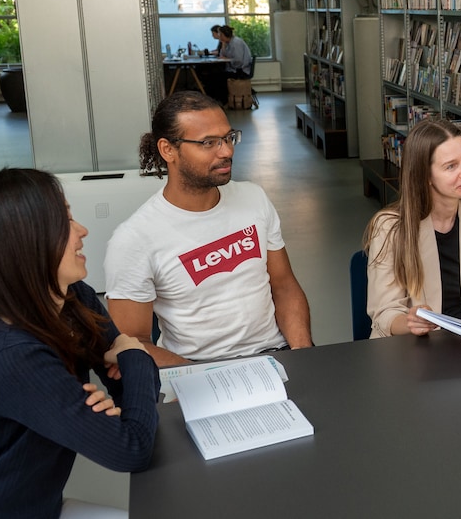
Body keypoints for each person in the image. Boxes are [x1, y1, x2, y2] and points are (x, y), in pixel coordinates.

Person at [0, 169, 159, 518]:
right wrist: (133, 351)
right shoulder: (11, 356)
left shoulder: (72, 298)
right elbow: (132, 449)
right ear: (25, 243)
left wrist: (124, 383)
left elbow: (125, 388)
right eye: (65, 221)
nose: (82, 231)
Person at [105, 91, 312, 366]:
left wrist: (303, 354)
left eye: (228, 138)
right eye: (208, 143)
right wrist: (201, 378)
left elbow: (284, 285)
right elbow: (131, 343)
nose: (227, 151)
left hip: (274, 355)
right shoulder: (133, 239)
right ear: (168, 150)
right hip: (196, 366)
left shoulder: (254, 198)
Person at [364, 119, 461, 337]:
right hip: (415, 344)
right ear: (425, 176)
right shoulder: (389, 228)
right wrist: (411, 322)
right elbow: (384, 314)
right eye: (451, 166)